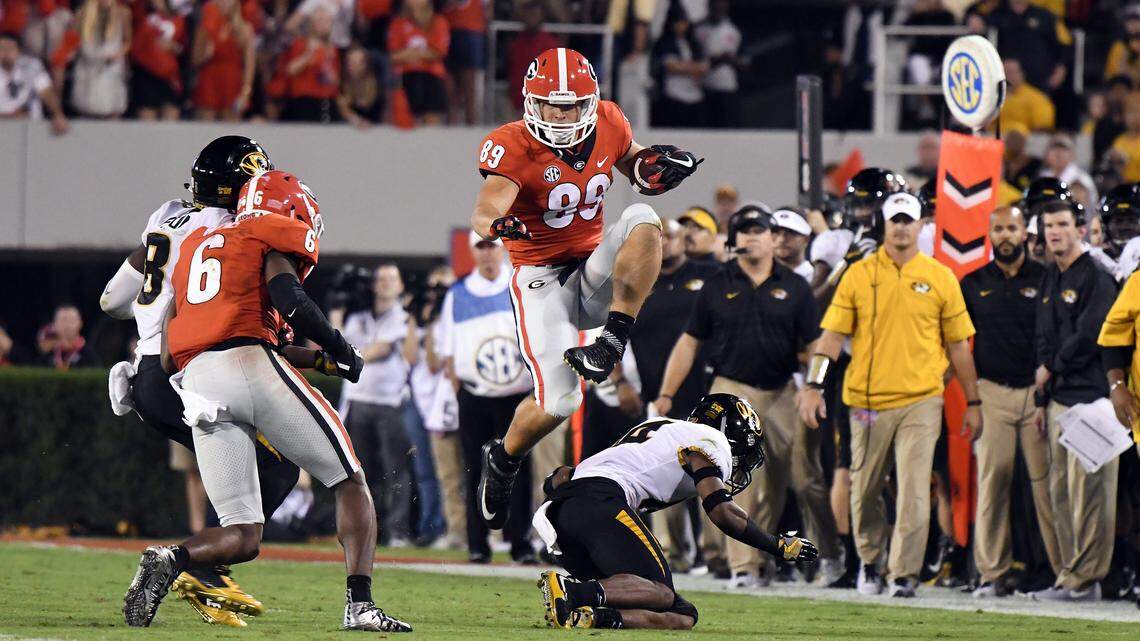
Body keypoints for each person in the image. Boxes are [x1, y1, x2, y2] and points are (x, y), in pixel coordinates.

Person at [121, 169, 411, 632]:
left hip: (197, 380)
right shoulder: (269, 231)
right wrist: (338, 346)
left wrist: (316, 361)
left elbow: (176, 349)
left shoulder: (196, 248)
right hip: (249, 364)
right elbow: (288, 297)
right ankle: (360, 605)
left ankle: (171, 558)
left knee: (243, 533)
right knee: (349, 479)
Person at [471, 47, 702, 531]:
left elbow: (637, 170)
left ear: (591, 102)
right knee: (560, 402)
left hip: (592, 269)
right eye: (552, 104)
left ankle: (612, 341)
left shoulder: (611, 123)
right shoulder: (510, 144)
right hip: (540, 277)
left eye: (572, 104)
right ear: (532, 103)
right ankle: (504, 459)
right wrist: (499, 225)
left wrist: (658, 167)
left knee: (642, 218)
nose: (562, 114)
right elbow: (486, 208)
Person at [100, 136, 300, 628]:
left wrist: (146, 326)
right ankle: (198, 566)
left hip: (153, 376)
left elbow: (110, 300)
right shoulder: (230, 228)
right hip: (183, 374)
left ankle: (203, 568)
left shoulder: (165, 214)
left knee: (253, 472)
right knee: (275, 471)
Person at [797, 192, 982, 598]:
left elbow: (958, 347)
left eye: (908, 220)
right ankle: (870, 559)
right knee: (864, 489)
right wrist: (813, 386)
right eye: (895, 219)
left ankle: (903, 573)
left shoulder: (940, 277)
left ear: (919, 226)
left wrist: (973, 401)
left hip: (922, 399)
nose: (901, 227)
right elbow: (830, 340)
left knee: (915, 488)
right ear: (884, 223)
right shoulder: (859, 275)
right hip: (866, 402)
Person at [655, 206, 841, 588]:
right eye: (744, 230)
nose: (752, 237)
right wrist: (666, 393)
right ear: (734, 239)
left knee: (804, 479)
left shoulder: (795, 286)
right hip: (731, 388)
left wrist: (814, 386)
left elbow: (814, 346)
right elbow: (689, 343)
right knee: (739, 478)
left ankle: (825, 555)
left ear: (772, 237)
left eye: (759, 229)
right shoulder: (718, 284)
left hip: (784, 388)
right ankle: (744, 566)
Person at [533, 393, 818, 629]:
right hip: (601, 502)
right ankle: (571, 592)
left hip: (562, 514)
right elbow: (721, 512)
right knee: (659, 590)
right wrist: (777, 545)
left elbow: (559, 477)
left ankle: (592, 617)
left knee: (682, 614)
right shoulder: (708, 440)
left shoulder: (661, 428)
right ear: (729, 434)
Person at [960, 205, 1059, 597]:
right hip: (993, 393)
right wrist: (972, 399)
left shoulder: (1047, 277)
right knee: (992, 481)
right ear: (990, 233)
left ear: (1025, 233)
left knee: (1046, 486)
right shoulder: (972, 282)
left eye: (1012, 228)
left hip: (1038, 397)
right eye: (998, 228)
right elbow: (958, 345)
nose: (1005, 235)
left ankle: (1061, 571)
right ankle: (992, 572)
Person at [1031, 200, 1119, 602]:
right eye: (1049, 225)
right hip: (1058, 400)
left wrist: (1050, 367)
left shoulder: (1097, 277)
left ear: (1080, 229)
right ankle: (1070, 577)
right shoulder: (1051, 276)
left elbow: (1089, 336)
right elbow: (1043, 334)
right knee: (1062, 494)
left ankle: (1087, 579)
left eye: (1063, 224)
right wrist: (1042, 390)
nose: (1055, 232)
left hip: (1093, 400)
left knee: (1091, 496)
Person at [435, 232, 536, 563]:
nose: (488, 253)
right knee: (473, 469)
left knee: (519, 469)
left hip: (517, 396)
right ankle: (478, 544)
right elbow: (448, 355)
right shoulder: (458, 293)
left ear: (502, 247)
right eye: (481, 246)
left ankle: (521, 543)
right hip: (475, 396)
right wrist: (456, 394)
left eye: (492, 245)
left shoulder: (519, 284)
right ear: (473, 252)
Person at [626, 218, 720, 573]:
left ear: (685, 242)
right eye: (661, 239)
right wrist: (623, 383)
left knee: (711, 471)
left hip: (702, 391)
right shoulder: (637, 280)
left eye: (674, 237)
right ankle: (672, 553)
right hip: (656, 395)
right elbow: (615, 333)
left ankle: (716, 554)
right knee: (661, 475)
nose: (668, 245)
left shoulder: (708, 275)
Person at [335, 264, 416, 547]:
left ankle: (398, 530)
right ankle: (364, 530)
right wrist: (336, 306)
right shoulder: (358, 317)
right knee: (359, 470)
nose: (383, 284)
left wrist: (350, 356)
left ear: (400, 286)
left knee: (395, 468)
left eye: (390, 279)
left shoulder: (402, 317)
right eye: (380, 278)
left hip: (388, 402)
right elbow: (333, 341)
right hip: (358, 401)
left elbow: (381, 349)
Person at [191, 0, 255, 121]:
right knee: (206, 125)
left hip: (233, 83)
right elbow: (195, 59)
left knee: (231, 130)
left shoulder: (245, 29)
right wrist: (204, 55)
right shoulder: (206, 26)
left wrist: (246, 92)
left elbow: (249, 65)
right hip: (209, 79)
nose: (224, 3)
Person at [387, 0, 448, 126]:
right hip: (408, 76)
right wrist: (422, 53)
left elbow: (438, 52)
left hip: (432, 76)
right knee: (412, 118)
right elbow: (393, 55)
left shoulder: (438, 22)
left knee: (433, 116)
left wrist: (410, 53)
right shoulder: (399, 23)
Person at [68, 0, 130, 118]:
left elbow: (127, 40)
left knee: (112, 109)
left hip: (111, 67)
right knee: (86, 109)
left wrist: (118, 54)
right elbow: (73, 40)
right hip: (88, 66)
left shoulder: (123, 13)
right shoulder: (81, 14)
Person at [278, 8, 340, 122]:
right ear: (312, 23)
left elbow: (335, 81)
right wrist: (308, 55)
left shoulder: (332, 48)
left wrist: (328, 62)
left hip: (326, 99)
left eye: (327, 21)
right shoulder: (301, 43)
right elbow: (290, 69)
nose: (323, 25)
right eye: (320, 20)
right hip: (304, 99)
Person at [0, 32, 68, 133]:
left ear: (19, 51)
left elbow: (46, 93)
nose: (6, 53)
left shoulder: (32, 66)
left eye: (10, 48)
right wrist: (10, 117)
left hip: (30, 127)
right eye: (2, 48)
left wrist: (57, 114)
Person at [651, 5, 707, 128]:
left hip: (694, 96)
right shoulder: (665, 42)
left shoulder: (693, 43)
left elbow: (704, 66)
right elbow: (671, 67)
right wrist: (693, 68)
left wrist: (685, 67)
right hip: (674, 96)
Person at [128, 0, 184, 120]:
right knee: (147, 122)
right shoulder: (142, 13)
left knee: (171, 124)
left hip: (169, 75)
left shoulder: (179, 18)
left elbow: (185, 47)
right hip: (146, 73)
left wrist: (175, 47)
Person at [694, 0, 740, 129]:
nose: (719, 9)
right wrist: (715, 60)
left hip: (727, 87)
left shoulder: (733, 30)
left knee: (727, 126)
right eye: (716, 6)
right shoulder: (699, 30)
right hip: (704, 86)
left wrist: (730, 59)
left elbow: (744, 60)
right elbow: (694, 57)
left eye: (722, 6)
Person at [441, 0, 487, 125]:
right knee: (449, 85)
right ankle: (451, 124)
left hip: (471, 30)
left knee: (469, 84)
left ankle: (471, 124)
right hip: (448, 27)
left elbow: (488, 10)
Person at [1040, 133, 1097, 210]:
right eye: (1054, 148)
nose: (1058, 153)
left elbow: (1085, 210)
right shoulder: (1043, 176)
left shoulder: (1081, 178)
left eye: (1063, 149)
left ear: (1072, 154)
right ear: (1046, 154)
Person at [997, 58, 1055, 133]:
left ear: (1022, 74)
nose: (1008, 77)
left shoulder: (1036, 98)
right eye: (1005, 73)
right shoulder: (994, 98)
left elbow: (1043, 126)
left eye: (1011, 73)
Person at [38, 304, 98, 369]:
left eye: (71, 320)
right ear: (54, 324)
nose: (67, 325)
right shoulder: (47, 355)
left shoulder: (89, 355)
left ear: (80, 323)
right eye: (63, 320)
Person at [770, 206, 814, 281]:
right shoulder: (757, 277)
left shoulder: (816, 279)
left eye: (790, 233)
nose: (781, 239)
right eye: (775, 232)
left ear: (806, 239)